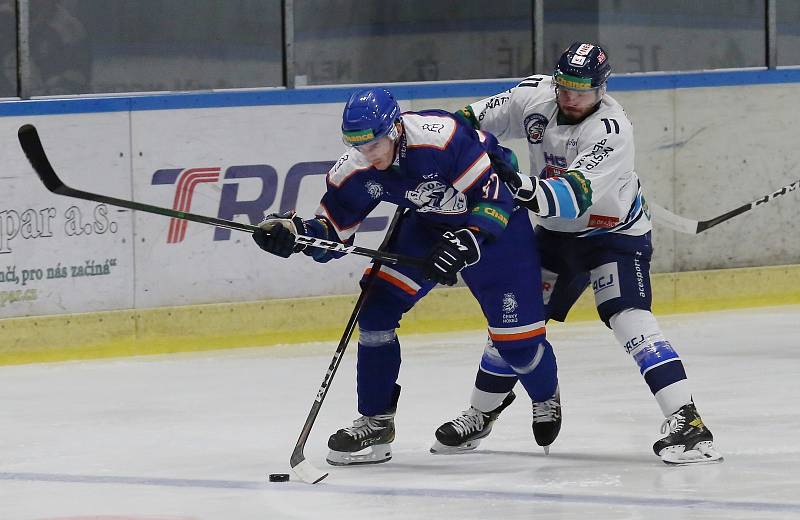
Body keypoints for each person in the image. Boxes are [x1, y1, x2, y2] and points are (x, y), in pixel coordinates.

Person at [434, 42, 722, 464]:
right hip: (555, 237)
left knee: (630, 321)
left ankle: (689, 422)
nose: (569, 98)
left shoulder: (612, 131)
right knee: (513, 325)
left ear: (602, 88)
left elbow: (572, 196)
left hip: (614, 236)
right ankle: (482, 412)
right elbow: (461, 124)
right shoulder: (533, 95)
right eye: (564, 87)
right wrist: (429, 152)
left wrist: (514, 186)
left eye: (581, 90)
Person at [251, 87, 562, 466]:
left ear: (396, 127)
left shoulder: (441, 138)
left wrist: (467, 241)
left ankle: (546, 395)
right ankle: (376, 421)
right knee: (377, 307)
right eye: (360, 146)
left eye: (376, 144)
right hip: (429, 224)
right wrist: (295, 235)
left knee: (519, 346)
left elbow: (495, 197)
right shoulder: (358, 167)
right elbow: (332, 234)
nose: (370, 155)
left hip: (494, 226)